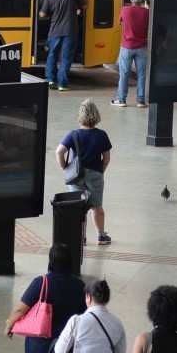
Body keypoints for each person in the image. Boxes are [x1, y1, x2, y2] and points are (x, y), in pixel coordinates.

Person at [57, 99, 113, 245]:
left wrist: (64, 167)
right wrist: (101, 171)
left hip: (76, 175)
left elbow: (59, 152)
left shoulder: (73, 134)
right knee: (97, 206)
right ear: (96, 115)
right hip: (95, 174)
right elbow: (106, 158)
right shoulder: (102, 135)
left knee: (78, 207)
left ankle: (80, 237)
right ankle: (101, 236)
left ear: (80, 116)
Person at [40, 0, 85, 91]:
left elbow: (42, 14)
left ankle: (49, 80)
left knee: (52, 55)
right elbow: (84, 5)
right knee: (66, 57)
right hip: (70, 31)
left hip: (54, 31)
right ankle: (62, 84)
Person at [113, 0, 150, 108]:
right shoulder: (147, 12)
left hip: (127, 46)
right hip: (142, 47)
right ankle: (140, 101)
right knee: (142, 74)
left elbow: (120, 23)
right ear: (142, 0)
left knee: (124, 74)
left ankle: (122, 100)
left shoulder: (125, 10)